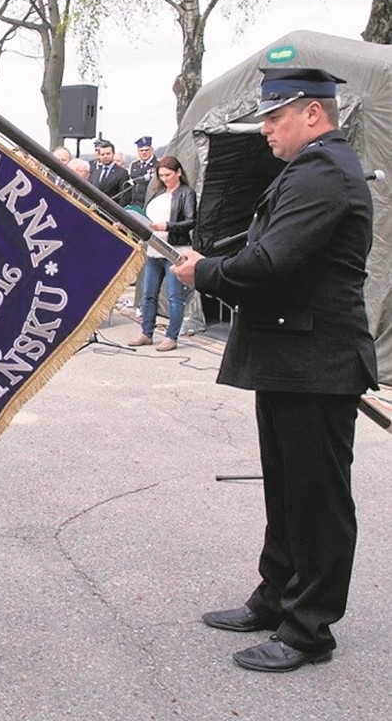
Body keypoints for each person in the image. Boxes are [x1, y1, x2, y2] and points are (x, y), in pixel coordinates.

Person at [172, 68, 378, 673]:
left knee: (317, 499)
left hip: (317, 362)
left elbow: (274, 260)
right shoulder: (310, 170)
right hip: (294, 359)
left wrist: (204, 273)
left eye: (273, 116)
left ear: (312, 114)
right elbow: (267, 248)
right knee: (287, 492)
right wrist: (213, 261)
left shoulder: (322, 172)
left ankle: (310, 628)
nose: (265, 129)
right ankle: (275, 599)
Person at [128, 156, 195, 352]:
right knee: (149, 294)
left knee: (175, 296)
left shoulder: (186, 193)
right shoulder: (157, 193)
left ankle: (171, 336)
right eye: (162, 175)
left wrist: (167, 226)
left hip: (176, 250)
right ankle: (146, 332)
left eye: (168, 175)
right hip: (154, 249)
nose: (165, 179)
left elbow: (191, 221)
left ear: (179, 173)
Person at [128, 136, 159, 209]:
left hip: (149, 204)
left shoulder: (158, 165)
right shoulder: (134, 165)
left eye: (147, 150)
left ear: (152, 150)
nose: (144, 153)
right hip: (135, 204)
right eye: (141, 150)